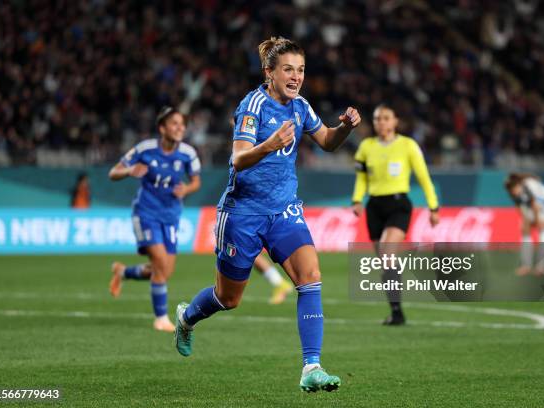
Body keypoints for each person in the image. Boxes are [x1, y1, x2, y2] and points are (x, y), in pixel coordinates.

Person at [174, 37, 360, 393]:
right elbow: (238, 158)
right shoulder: (253, 105)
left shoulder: (301, 106)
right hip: (242, 213)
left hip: (283, 209)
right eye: (288, 69)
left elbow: (327, 141)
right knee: (228, 298)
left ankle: (311, 366)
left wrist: (346, 129)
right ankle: (186, 318)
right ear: (269, 73)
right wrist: (269, 145)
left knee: (310, 276)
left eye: (301, 70)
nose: (296, 77)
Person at [108, 107, 201, 332]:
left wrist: (186, 189)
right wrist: (130, 171)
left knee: (164, 271)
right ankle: (161, 318)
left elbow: (196, 181)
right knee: (160, 263)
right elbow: (113, 173)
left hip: (171, 217)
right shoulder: (145, 149)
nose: (180, 128)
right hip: (146, 213)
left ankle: (123, 272)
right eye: (174, 124)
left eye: (182, 124)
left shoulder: (188, 153)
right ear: (162, 128)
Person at [351, 104, 439, 326]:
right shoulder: (366, 147)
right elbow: (362, 178)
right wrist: (357, 199)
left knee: (388, 252)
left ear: (395, 121)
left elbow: (424, 177)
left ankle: (397, 311)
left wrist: (433, 207)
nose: (381, 122)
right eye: (377, 118)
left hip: (398, 205)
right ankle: (396, 311)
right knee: (385, 262)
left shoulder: (408, 146)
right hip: (374, 207)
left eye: (386, 118)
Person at [504, 173, 544, 275]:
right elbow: (520, 207)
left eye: (514, 188)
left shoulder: (529, 186)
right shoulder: (514, 192)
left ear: (519, 184)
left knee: (543, 232)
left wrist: (537, 222)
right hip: (532, 206)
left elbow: (536, 205)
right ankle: (526, 265)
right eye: (511, 189)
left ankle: (541, 266)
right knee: (525, 231)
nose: (513, 191)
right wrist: (525, 222)